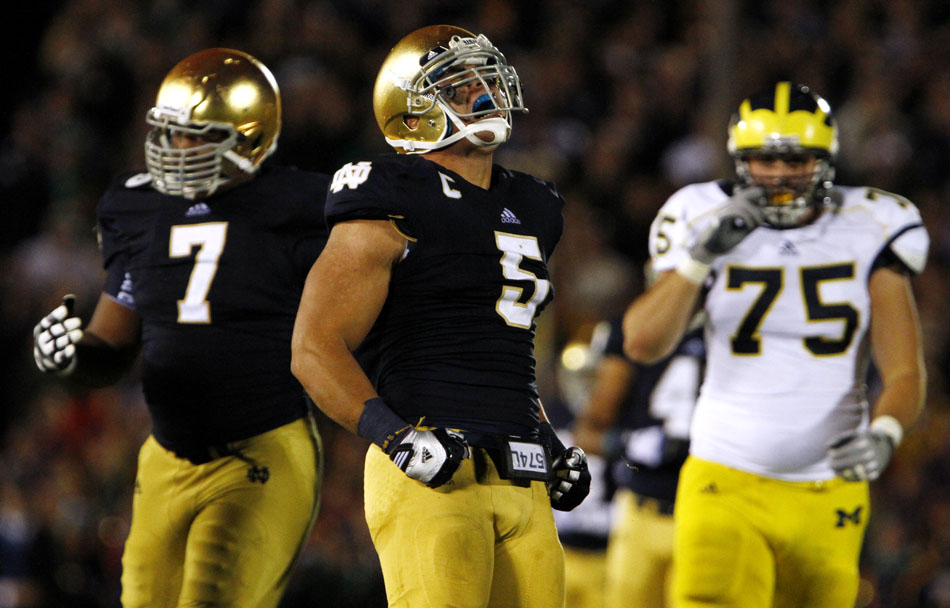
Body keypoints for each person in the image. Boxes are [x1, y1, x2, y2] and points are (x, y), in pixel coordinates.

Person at [290, 25, 590, 607]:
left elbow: (499, 351)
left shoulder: (533, 204)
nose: (483, 92)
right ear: (413, 111)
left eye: (485, 77)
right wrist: (396, 438)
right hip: (434, 471)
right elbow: (313, 346)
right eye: (459, 86)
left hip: (522, 480)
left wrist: (548, 441)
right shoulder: (391, 192)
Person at [31, 48, 328, 607]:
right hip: (166, 456)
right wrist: (74, 353)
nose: (178, 149)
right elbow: (114, 344)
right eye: (171, 133)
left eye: (198, 135)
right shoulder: (136, 205)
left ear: (250, 137)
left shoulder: (303, 204)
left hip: (258, 453)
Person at [622, 81, 929, 607]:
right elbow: (643, 343)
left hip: (830, 487)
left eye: (798, 160)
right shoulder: (700, 212)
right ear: (740, 159)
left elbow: (904, 369)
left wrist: (884, 433)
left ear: (826, 161)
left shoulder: (873, 223)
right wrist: (700, 257)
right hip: (723, 477)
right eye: (765, 159)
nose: (782, 175)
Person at [571, 313, 704, 608]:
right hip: (648, 510)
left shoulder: (731, 319)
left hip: (701, 510)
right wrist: (629, 443)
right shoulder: (633, 326)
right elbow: (590, 430)